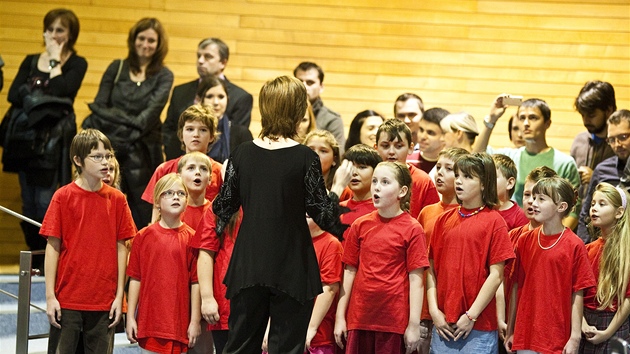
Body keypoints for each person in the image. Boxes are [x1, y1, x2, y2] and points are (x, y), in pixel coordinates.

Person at [210, 75, 352, 354]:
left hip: (249, 261)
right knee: (287, 348)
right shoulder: (305, 157)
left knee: (240, 346)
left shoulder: (241, 154)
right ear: (297, 110)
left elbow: (222, 208)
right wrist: (336, 191)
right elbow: (322, 215)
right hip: (292, 263)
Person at [41, 129, 136, 353]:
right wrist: (50, 296)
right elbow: (52, 247)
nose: (105, 162)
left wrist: (119, 296)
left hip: (104, 301)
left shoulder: (118, 200)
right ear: (78, 160)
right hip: (67, 299)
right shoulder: (62, 197)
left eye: (109, 155)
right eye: (97, 156)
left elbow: (122, 248)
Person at [6, 8, 87, 262]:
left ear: (71, 34)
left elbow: (64, 90)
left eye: (60, 30)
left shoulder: (76, 62)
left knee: (45, 205)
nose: (53, 35)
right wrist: (44, 96)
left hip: (53, 144)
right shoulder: (31, 60)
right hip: (26, 141)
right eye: (50, 29)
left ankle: (48, 261)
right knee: (27, 205)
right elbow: (13, 94)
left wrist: (54, 60)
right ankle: (34, 258)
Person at [83, 17, 173, 229]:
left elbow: (147, 119)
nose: (145, 44)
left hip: (143, 151)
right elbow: (98, 106)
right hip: (108, 150)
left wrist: (118, 121)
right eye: (141, 38)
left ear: (159, 44)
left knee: (140, 210)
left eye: (151, 40)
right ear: (133, 40)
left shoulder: (164, 75)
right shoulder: (117, 67)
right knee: (102, 205)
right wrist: (126, 126)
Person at [334, 161, 428, 354]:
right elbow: (349, 271)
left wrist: (413, 324)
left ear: (402, 191)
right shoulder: (360, 225)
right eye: (375, 181)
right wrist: (340, 317)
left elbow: (416, 280)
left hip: (393, 321)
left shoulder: (413, 228)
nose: (377, 186)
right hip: (360, 318)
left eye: (385, 182)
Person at [427, 152, 514, 353]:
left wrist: (471, 315)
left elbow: (496, 275)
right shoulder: (442, 221)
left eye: (468, 177)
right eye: (457, 175)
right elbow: (431, 270)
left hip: (478, 327)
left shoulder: (495, 222)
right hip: (443, 325)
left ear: (484, 183)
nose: (459, 181)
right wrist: (434, 311)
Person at [505, 177, 596, 354]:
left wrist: (575, 336)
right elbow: (516, 285)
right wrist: (511, 329)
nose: (533, 202)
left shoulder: (574, 245)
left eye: (541, 199)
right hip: (526, 334)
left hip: (557, 337)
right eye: (533, 197)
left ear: (561, 207)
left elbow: (577, 293)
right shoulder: (524, 240)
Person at [475, 96, 581, 230]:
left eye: (533, 118)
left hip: (548, 235)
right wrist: (491, 119)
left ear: (547, 123)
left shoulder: (564, 162)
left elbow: (573, 210)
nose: (525, 123)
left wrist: (555, 239)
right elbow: (476, 161)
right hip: (513, 232)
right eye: (522, 117)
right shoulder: (510, 156)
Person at [126, 173, 201, 353]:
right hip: (150, 322)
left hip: (179, 324)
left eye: (180, 193)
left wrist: (195, 320)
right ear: (157, 202)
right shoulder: (143, 237)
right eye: (168, 193)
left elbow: (196, 282)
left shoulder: (192, 239)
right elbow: (136, 278)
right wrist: (130, 317)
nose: (175, 197)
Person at [163, 38, 253, 160]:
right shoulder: (180, 91)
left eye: (208, 57)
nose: (200, 61)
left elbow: (237, 141)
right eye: (199, 56)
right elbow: (169, 130)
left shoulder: (241, 97)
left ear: (223, 62)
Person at [416, 147, 469, 354]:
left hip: (454, 310)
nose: (439, 173)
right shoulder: (426, 212)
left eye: (449, 169)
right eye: (438, 167)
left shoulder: (467, 215)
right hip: (423, 308)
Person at [141, 104, 223, 222]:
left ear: (211, 136)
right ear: (181, 134)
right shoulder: (164, 169)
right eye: (190, 129)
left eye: (203, 130)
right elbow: (156, 215)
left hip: (208, 235)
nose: (196, 134)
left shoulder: (219, 171)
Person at [580, 183, 630, 352]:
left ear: (619, 212)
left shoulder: (626, 252)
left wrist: (606, 333)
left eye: (602, 204)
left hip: (614, 324)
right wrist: (582, 323)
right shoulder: (586, 249)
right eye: (593, 203)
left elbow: (628, 300)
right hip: (585, 323)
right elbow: (575, 292)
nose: (594, 208)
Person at [191, 204, 241, 354]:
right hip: (226, 304)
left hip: (261, 303)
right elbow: (206, 253)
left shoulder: (269, 202)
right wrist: (207, 298)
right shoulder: (221, 206)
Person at [577, 109, 630, 242]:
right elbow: (586, 214)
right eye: (612, 139)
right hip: (605, 245)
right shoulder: (602, 169)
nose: (617, 144)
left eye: (623, 137)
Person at [374, 119, 440, 219]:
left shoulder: (423, 181)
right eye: (385, 146)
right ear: (376, 148)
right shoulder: (368, 179)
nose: (391, 151)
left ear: (410, 148)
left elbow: (432, 222)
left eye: (399, 146)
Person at [571, 81, 616, 200]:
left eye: (591, 115)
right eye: (583, 115)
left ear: (608, 110)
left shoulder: (622, 146)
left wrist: (597, 179)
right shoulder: (579, 141)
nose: (585, 121)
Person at [197, 75, 253, 163]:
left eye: (221, 97)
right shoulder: (191, 131)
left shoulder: (240, 133)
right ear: (199, 100)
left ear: (228, 99)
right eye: (210, 96)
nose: (216, 102)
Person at [294, 61, 345, 152]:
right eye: (299, 81)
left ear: (321, 86)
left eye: (310, 82)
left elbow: (338, 156)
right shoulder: (283, 114)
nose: (304, 87)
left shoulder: (332, 119)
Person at [338, 144, 382, 240]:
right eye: (350, 167)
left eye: (362, 167)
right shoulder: (337, 210)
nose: (354, 172)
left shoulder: (384, 211)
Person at [304, 130, 351, 200]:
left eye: (323, 151)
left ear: (334, 160)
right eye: (310, 149)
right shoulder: (292, 185)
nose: (315, 155)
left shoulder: (344, 191)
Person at [408, 107, 450, 174]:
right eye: (421, 130)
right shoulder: (406, 161)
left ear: (444, 136)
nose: (422, 136)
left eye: (430, 133)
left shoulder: (452, 166)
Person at [492, 154, 528, 231]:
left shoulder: (519, 217)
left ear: (510, 183)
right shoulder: (481, 208)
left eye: (493, 177)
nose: (487, 181)